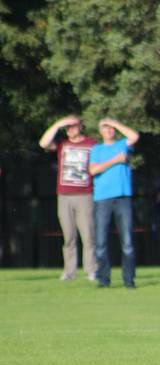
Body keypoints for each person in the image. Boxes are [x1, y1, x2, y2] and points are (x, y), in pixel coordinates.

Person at [38, 115, 98, 281]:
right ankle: (69, 271)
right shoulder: (62, 144)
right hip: (64, 195)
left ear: (81, 126)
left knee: (88, 235)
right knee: (69, 236)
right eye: (68, 127)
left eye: (73, 126)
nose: (71, 129)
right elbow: (43, 143)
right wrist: (58, 124)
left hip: (85, 194)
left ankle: (91, 269)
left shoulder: (92, 144)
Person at [89, 118, 139, 288]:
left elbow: (134, 136)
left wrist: (115, 123)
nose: (109, 131)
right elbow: (93, 170)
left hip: (123, 197)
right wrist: (116, 160)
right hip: (102, 199)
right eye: (106, 128)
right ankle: (103, 279)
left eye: (112, 129)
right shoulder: (97, 149)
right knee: (101, 241)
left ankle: (129, 280)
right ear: (101, 132)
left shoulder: (122, 144)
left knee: (128, 241)